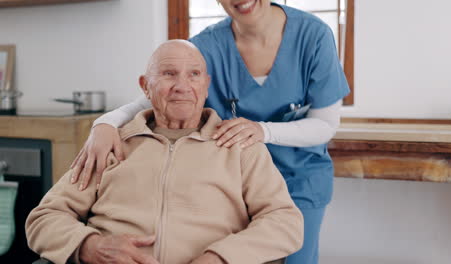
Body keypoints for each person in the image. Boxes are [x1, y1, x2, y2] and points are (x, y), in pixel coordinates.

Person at [70, 1, 350, 263]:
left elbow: (325, 125)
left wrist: (262, 131)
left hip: (297, 178)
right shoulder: (206, 46)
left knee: (292, 251)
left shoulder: (312, 36)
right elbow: (154, 96)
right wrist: (103, 125)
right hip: (229, 182)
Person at [25, 40, 304, 264]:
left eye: (193, 75)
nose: (182, 86)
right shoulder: (112, 143)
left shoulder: (240, 146)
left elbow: (284, 221)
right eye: (169, 74)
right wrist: (91, 245)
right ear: (145, 86)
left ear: (206, 85)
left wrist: (221, 257)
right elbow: (44, 218)